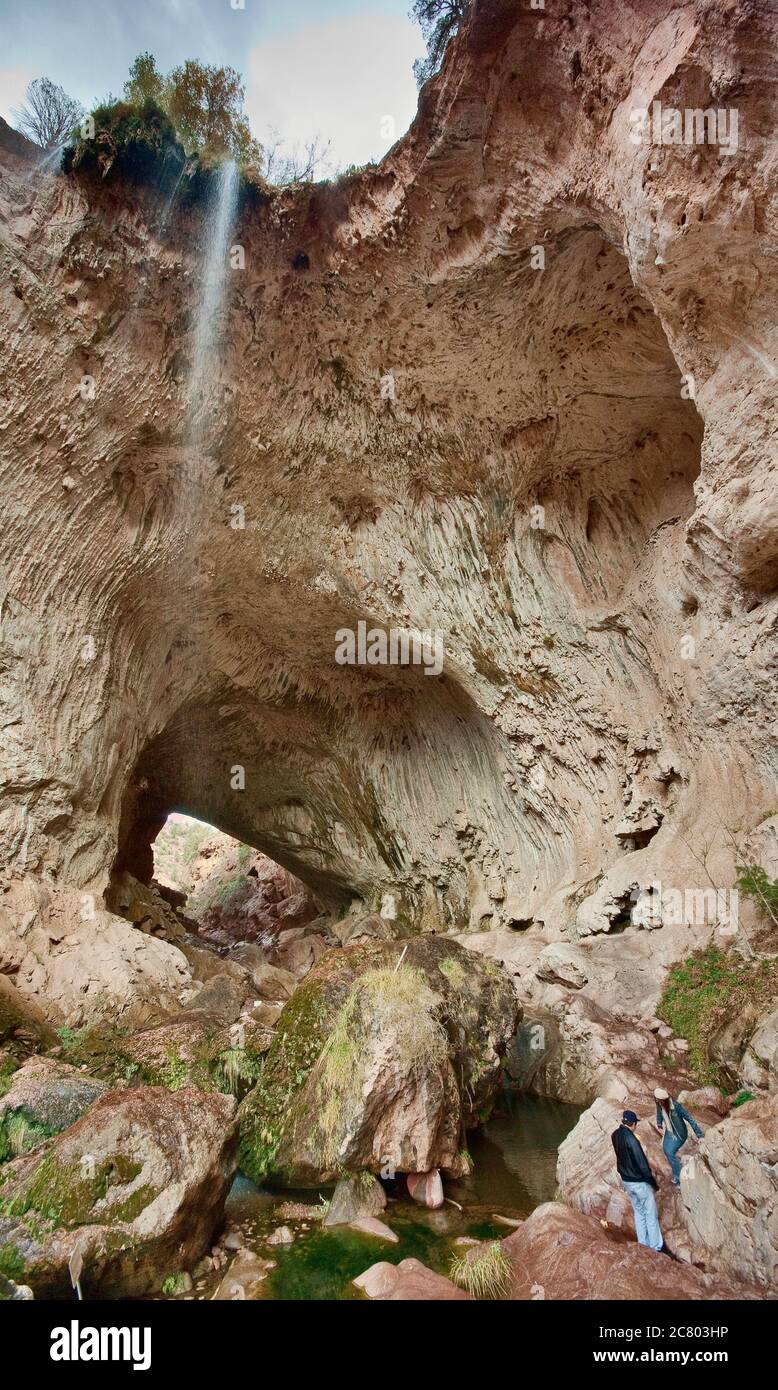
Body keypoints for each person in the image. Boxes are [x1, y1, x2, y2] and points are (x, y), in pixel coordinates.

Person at [611, 1109, 672, 1256]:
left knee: (639, 1212)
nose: (636, 1126)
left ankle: (642, 1244)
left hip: (626, 1181)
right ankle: (656, 1246)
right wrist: (652, 1182)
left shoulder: (615, 1135)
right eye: (635, 1124)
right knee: (650, 1213)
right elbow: (642, 1163)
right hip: (639, 1182)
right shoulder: (632, 1139)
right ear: (632, 1124)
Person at [654, 1087, 704, 1185]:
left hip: (680, 1134)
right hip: (670, 1132)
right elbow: (659, 1114)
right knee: (666, 1149)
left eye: (658, 1100)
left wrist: (700, 1135)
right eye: (656, 1099)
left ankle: (679, 1178)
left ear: (664, 1100)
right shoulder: (659, 1104)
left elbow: (690, 1119)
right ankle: (678, 1163)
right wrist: (659, 1124)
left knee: (670, 1152)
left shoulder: (676, 1106)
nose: (656, 1101)